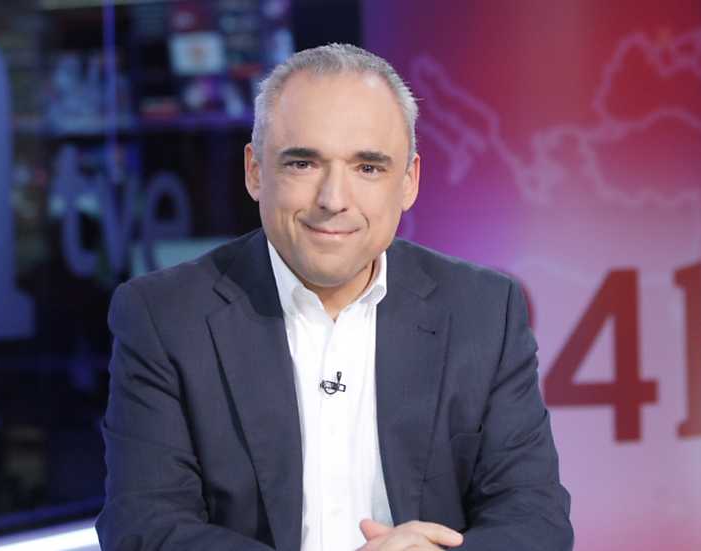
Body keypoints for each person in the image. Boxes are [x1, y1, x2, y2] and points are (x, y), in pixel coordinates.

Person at [96, 43, 573, 551]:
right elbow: (143, 526)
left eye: (368, 168)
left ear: (409, 181)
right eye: (303, 163)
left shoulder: (483, 310)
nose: (333, 199)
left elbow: (535, 520)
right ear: (255, 171)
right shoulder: (165, 317)